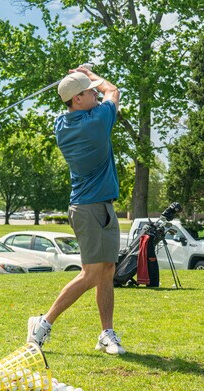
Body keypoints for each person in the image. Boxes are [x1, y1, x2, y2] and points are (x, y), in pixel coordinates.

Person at [26, 65, 125, 355]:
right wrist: (90, 74)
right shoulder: (96, 122)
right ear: (78, 100)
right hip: (87, 208)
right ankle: (43, 323)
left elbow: (94, 97)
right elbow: (113, 91)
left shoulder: (62, 124)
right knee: (91, 274)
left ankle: (106, 333)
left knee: (107, 271)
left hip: (103, 205)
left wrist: (79, 81)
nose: (95, 94)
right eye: (89, 92)